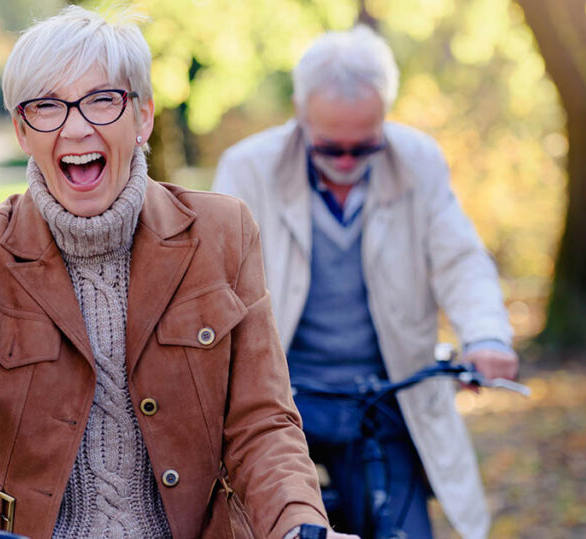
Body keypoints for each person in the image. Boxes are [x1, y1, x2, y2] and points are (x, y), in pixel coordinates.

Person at [0, 7, 357, 539]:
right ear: (21, 129)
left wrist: (300, 525)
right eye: (47, 107)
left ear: (144, 117)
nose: (76, 127)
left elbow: (262, 421)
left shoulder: (223, 233)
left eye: (102, 100)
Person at [212, 25, 518, 539]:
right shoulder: (248, 169)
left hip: (383, 399)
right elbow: (213, 284)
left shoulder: (418, 161)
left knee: (404, 531)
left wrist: (486, 335)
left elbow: (460, 261)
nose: (349, 162)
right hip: (280, 401)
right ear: (300, 113)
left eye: (366, 147)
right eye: (332, 149)